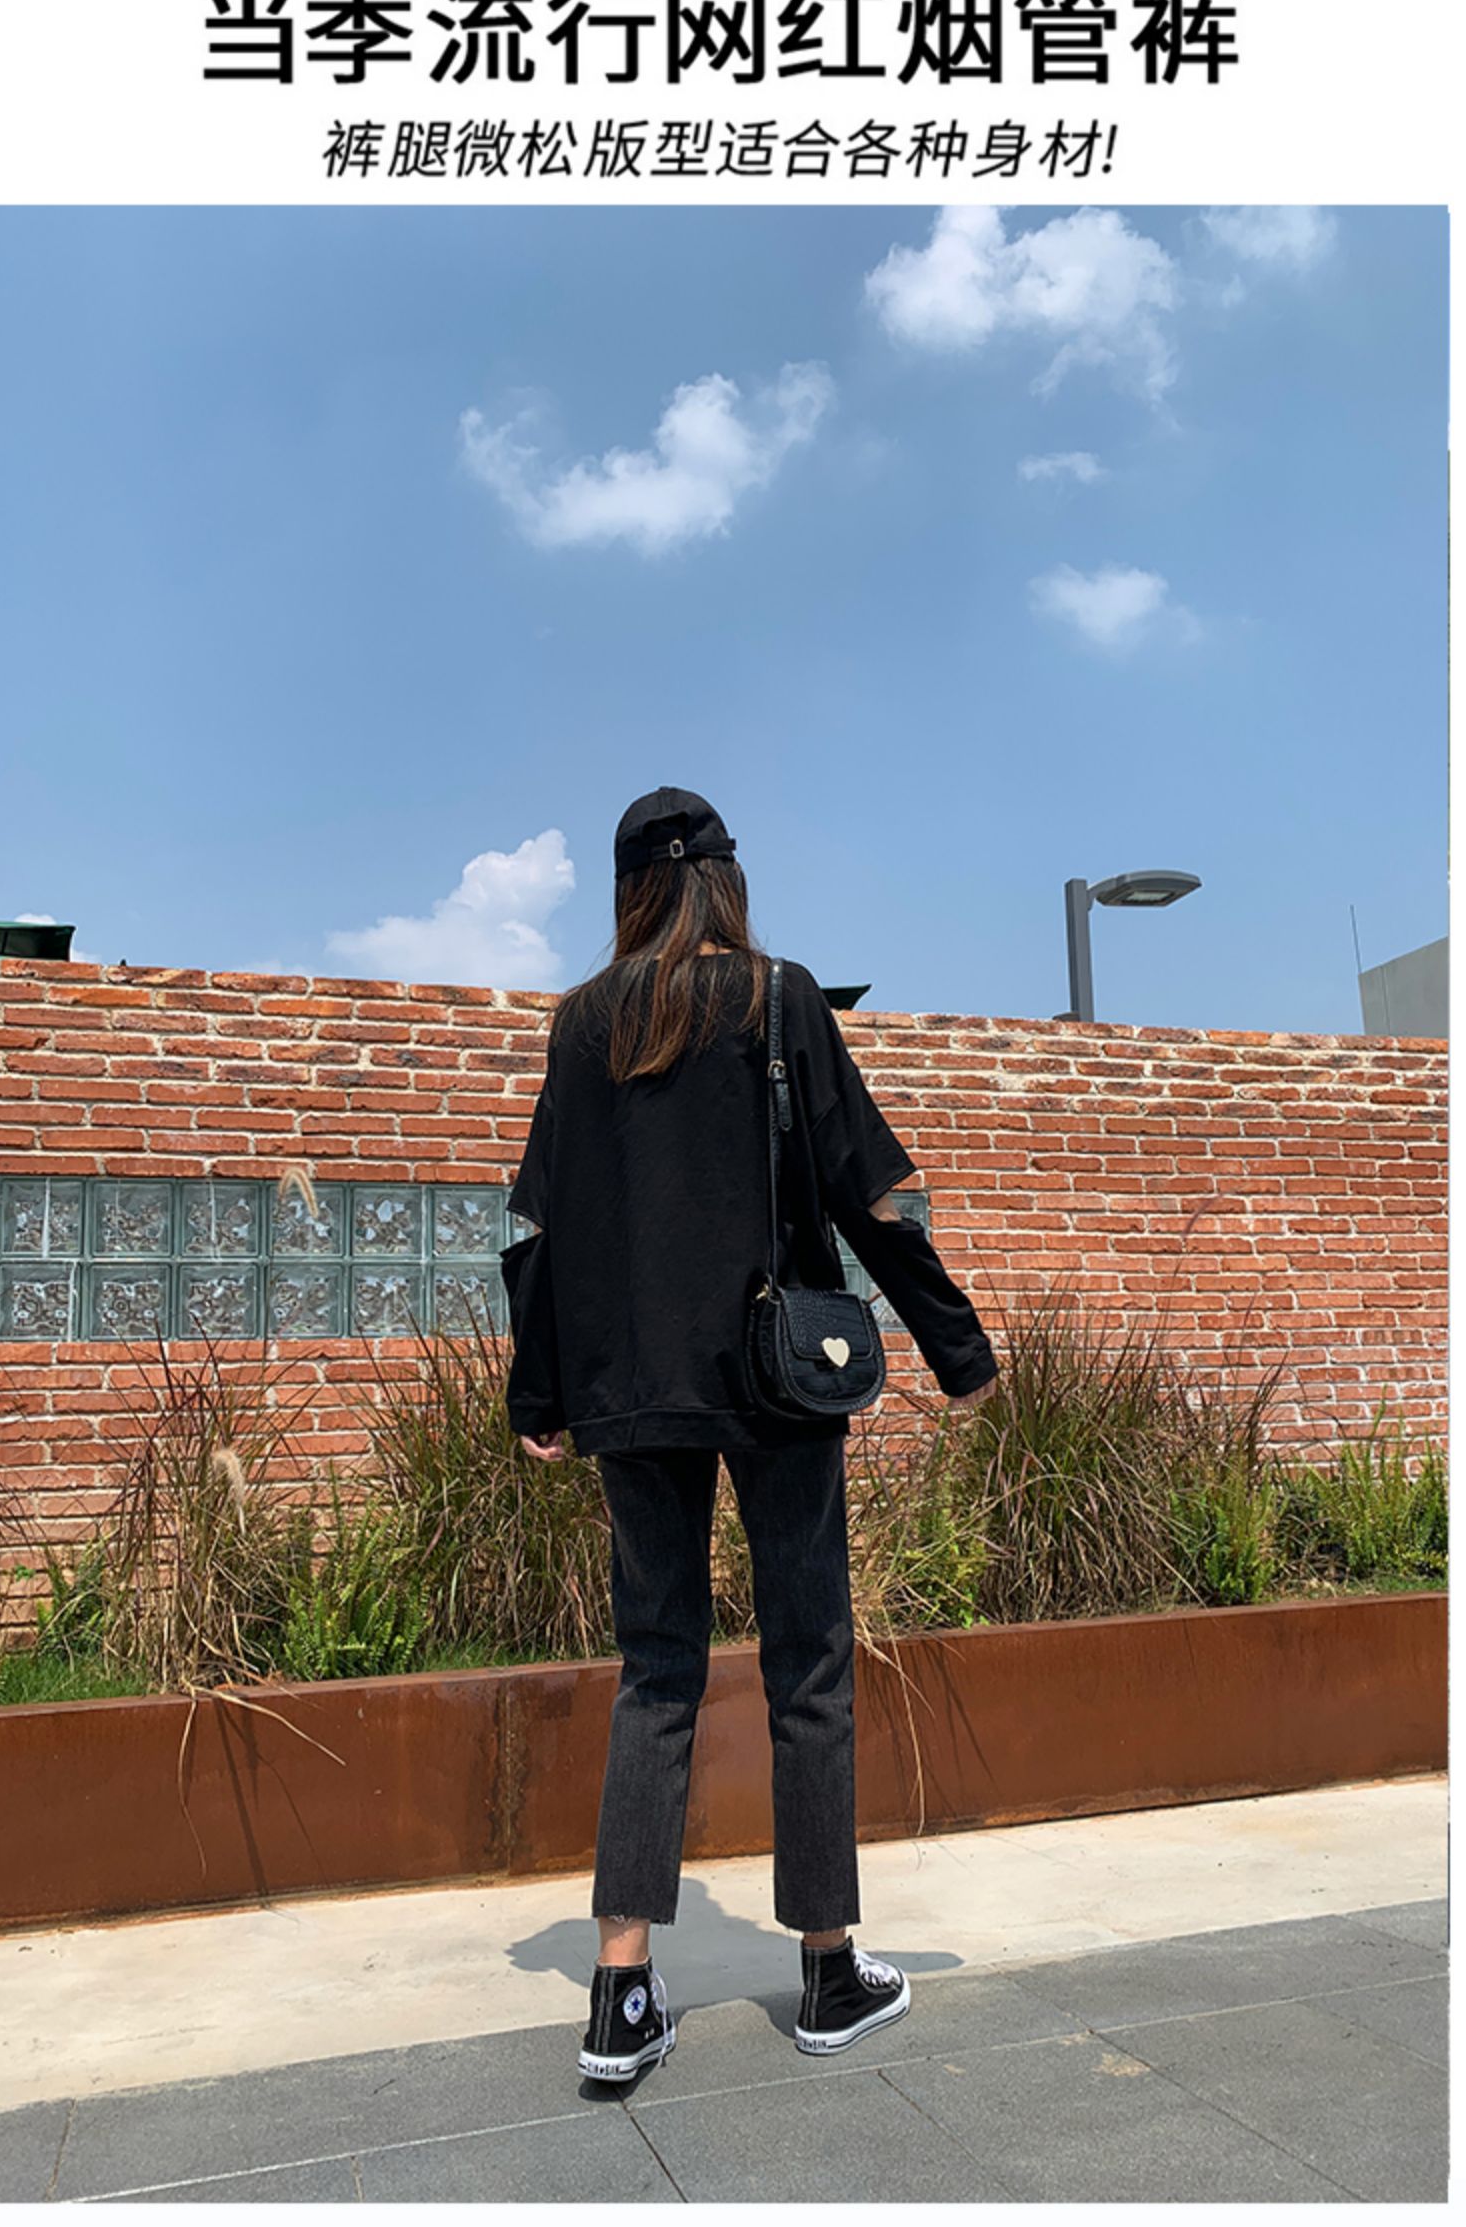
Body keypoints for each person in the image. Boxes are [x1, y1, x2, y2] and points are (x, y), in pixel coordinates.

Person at [499, 785, 999, 2085]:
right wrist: (956, 1349)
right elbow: (872, 1193)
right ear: (725, 878)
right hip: (782, 1377)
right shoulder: (780, 998)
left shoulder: (584, 1021)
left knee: (656, 1669)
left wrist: (537, 1393)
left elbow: (545, 1224)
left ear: (628, 890)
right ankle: (828, 1970)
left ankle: (619, 1991)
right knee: (809, 1661)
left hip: (634, 1389)